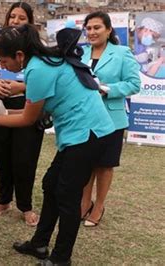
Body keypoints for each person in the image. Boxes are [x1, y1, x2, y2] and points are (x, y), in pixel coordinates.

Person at [0, 25, 116, 265]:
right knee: (51, 185)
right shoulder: (42, 61)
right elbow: (35, 109)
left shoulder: (37, 69)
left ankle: (60, 258)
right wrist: (3, 110)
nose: (1, 66)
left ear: (20, 56)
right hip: (79, 134)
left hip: (89, 134)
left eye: (3, 60)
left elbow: (28, 118)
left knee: (66, 196)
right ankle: (40, 244)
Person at [0, 1, 42, 226]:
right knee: (1, 155)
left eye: (21, 18)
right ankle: (4, 200)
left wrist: (20, 87)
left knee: (25, 158)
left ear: (29, 22)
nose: (15, 21)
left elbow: (41, 78)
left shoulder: (36, 46)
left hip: (25, 104)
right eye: (13, 16)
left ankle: (26, 205)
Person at [80, 12, 141, 227]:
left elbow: (134, 84)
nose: (92, 32)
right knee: (85, 164)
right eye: (88, 28)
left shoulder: (122, 53)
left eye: (97, 27)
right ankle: (85, 202)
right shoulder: (80, 53)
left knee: (104, 165)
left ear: (108, 30)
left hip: (111, 119)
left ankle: (99, 206)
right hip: (85, 118)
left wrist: (108, 89)